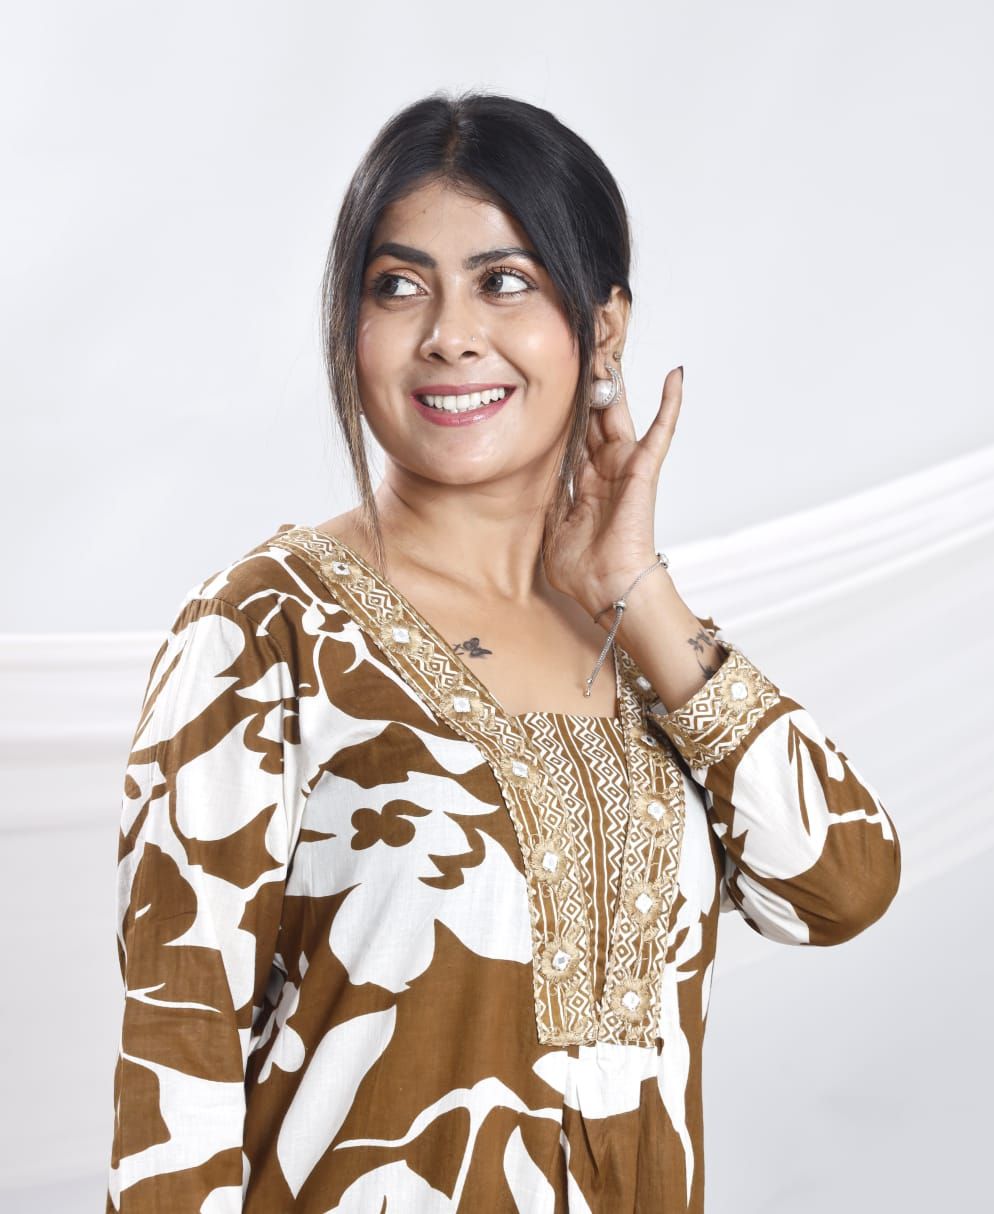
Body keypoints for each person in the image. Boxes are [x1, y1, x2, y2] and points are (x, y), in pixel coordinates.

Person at [106, 90, 901, 1213]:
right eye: (397, 286)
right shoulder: (265, 631)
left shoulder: (642, 649)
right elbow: (175, 1064)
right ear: (348, 326)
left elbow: (841, 889)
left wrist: (638, 589)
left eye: (504, 281)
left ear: (603, 328)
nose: (448, 333)